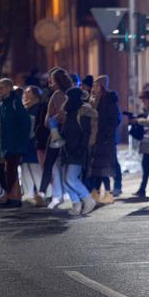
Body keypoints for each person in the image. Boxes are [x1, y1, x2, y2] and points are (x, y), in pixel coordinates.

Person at [59, 87, 97, 216]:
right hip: (67, 149)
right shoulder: (69, 112)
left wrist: (80, 148)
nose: (66, 100)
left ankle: (88, 199)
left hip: (77, 150)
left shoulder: (83, 112)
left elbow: (85, 133)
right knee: (65, 179)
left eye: (68, 98)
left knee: (70, 178)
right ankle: (76, 204)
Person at [0, 78, 31, 208]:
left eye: (1, 87)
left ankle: (15, 198)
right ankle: (13, 197)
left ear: (9, 88)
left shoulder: (14, 102)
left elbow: (24, 121)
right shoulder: (4, 104)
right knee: (10, 170)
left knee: (11, 170)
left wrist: (21, 139)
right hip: (7, 142)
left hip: (15, 142)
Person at [42, 68, 73, 208]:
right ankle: (68, 194)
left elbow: (50, 118)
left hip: (56, 133)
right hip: (69, 132)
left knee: (49, 163)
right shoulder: (71, 93)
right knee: (66, 165)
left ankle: (42, 193)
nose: (50, 82)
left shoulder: (56, 95)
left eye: (51, 79)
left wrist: (52, 119)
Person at [89, 75, 120, 204]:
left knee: (103, 168)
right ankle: (96, 192)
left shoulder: (108, 100)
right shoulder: (94, 100)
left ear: (102, 86)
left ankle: (107, 193)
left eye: (96, 85)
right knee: (97, 168)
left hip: (105, 140)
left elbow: (115, 120)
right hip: (95, 138)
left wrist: (106, 135)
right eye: (93, 85)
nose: (93, 88)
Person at [20, 86, 43, 205]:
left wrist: (31, 137)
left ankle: (42, 192)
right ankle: (28, 193)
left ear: (35, 94)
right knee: (25, 166)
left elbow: (33, 125)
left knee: (34, 166)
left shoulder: (36, 108)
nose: (25, 94)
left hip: (32, 140)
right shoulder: (26, 107)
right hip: (26, 141)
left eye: (28, 92)